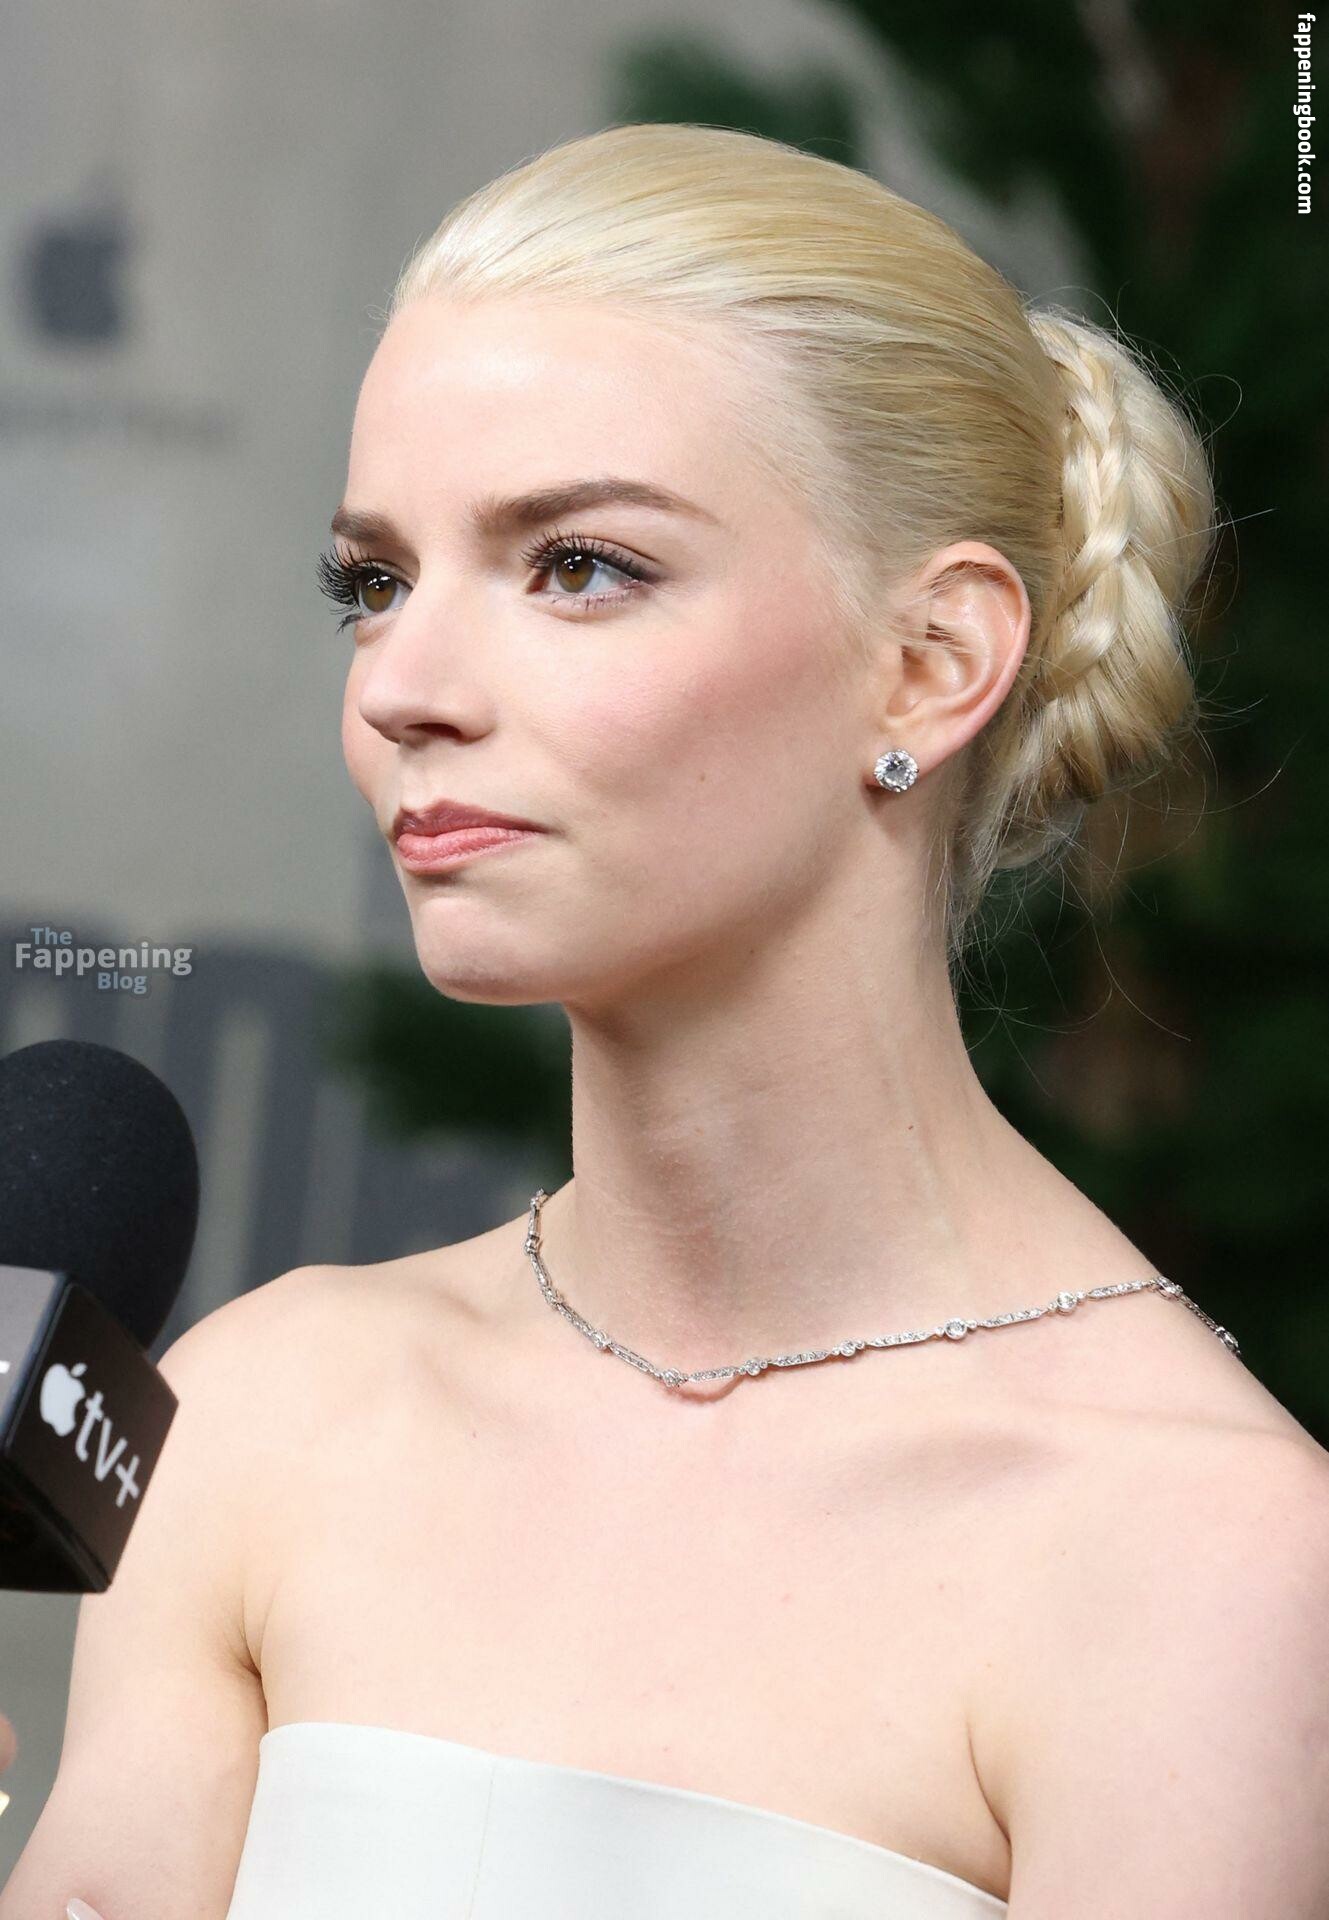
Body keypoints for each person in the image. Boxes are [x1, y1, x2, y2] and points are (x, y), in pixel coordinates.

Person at [15, 121, 1329, 1920]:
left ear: (932, 662)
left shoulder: (1203, 1558)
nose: (404, 688)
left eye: (579, 566)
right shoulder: (267, 1411)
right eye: (374, 583)